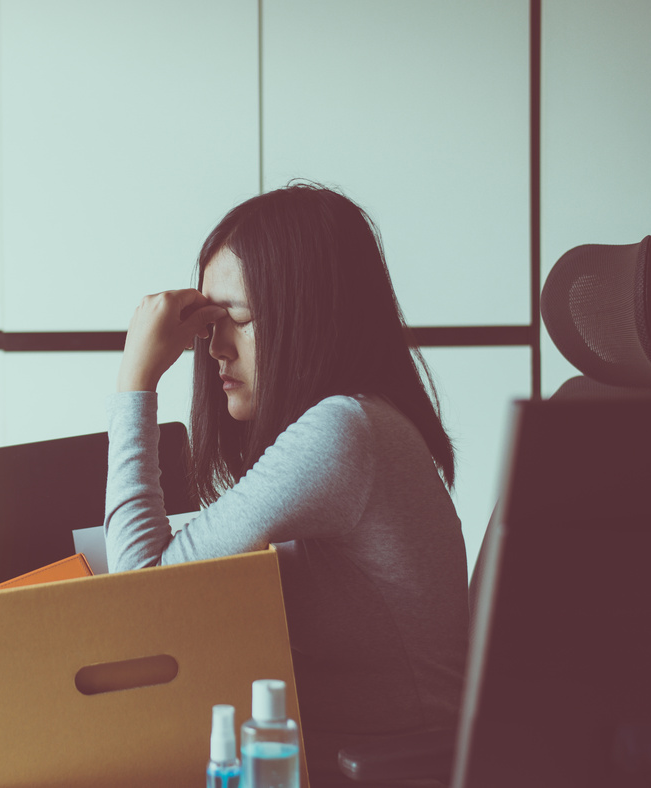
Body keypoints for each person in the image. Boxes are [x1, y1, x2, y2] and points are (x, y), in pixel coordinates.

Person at [104, 182, 469, 786]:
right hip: (336, 753)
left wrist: (135, 379)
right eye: (209, 324)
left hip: (379, 768)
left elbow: (140, 593)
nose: (215, 349)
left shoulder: (342, 431)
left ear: (308, 315)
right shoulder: (359, 422)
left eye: (235, 320)